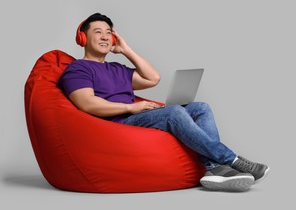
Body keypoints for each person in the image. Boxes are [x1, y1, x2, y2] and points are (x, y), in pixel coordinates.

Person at [58, 13, 269, 192]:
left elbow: (153, 78)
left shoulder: (117, 68)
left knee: (200, 108)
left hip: (135, 116)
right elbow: (86, 103)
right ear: (83, 37)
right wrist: (131, 107)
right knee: (174, 112)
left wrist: (126, 50)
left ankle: (213, 169)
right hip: (114, 124)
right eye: (98, 32)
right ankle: (231, 160)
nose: (105, 37)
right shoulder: (78, 69)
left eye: (109, 33)